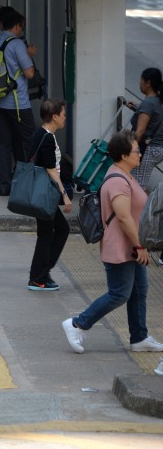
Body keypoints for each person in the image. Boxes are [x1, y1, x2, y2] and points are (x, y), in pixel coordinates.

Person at [62, 131, 163, 366]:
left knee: (139, 290)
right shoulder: (118, 180)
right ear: (125, 155)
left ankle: (139, 338)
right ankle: (77, 324)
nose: (140, 153)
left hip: (130, 247)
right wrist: (140, 245)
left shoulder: (124, 175)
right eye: (137, 150)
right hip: (122, 247)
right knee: (119, 293)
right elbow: (125, 217)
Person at [0, 6, 37, 196]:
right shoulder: (16, 44)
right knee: (30, 141)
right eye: (21, 27)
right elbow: (29, 73)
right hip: (18, 103)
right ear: (16, 26)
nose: (21, 30)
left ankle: (4, 185)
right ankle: (28, 181)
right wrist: (28, 56)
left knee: (4, 143)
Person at [26, 99, 72, 291]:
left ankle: (42, 273)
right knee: (51, 233)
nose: (65, 118)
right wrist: (65, 195)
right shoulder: (47, 138)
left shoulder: (39, 134)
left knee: (54, 231)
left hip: (41, 193)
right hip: (46, 194)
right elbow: (51, 170)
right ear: (54, 116)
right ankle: (38, 276)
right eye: (63, 114)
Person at [126, 67, 163, 191]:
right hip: (158, 148)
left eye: (141, 80)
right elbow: (155, 116)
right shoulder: (159, 100)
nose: (139, 83)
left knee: (137, 186)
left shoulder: (148, 104)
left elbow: (140, 131)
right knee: (138, 183)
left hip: (148, 149)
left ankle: (142, 210)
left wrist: (127, 148)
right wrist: (138, 107)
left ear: (148, 83)